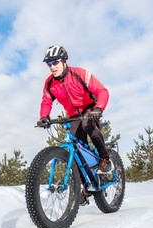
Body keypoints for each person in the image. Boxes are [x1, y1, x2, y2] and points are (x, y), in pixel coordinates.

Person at [37, 45, 111, 174]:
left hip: (89, 109)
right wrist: (44, 116)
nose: (52, 67)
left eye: (55, 62)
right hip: (72, 115)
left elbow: (102, 91)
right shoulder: (49, 83)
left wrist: (98, 108)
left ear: (64, 61)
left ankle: (105, 158)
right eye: (49, 64)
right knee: (78, 149)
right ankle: (86, 186)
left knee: (87, 125)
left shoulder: (80, 73)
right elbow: (46, 101)